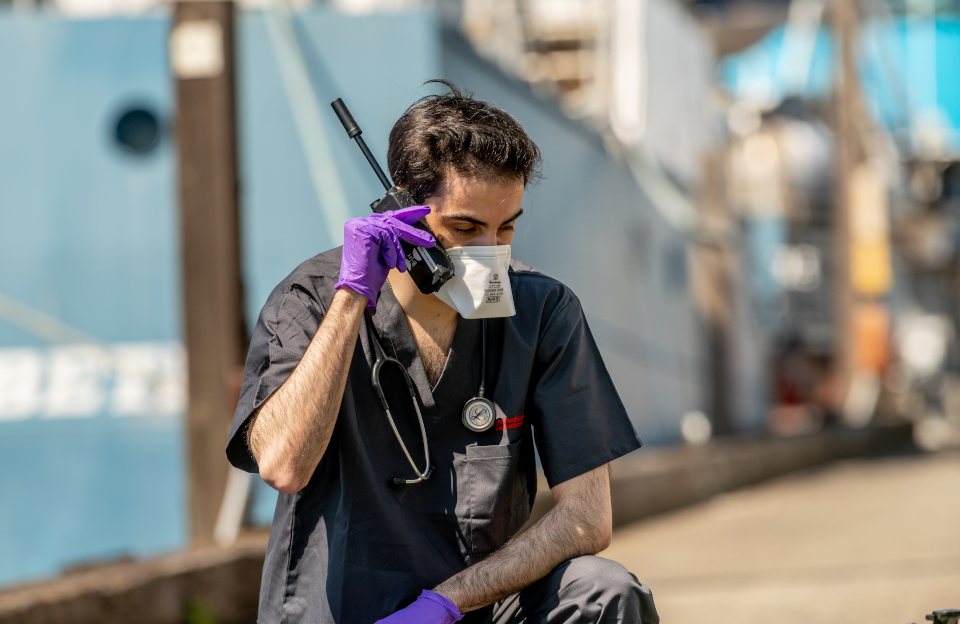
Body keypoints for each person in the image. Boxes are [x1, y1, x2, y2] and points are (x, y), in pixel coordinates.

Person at [226, 81, 659, 624]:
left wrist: (444, 604)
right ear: (401, 209)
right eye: (465, 227)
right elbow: (283, 465)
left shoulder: (544, 311)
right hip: (341, 610)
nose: (490, 252)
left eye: (506, 227)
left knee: (603, 590)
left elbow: (587, 519)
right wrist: (351, 299)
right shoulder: (310, 300)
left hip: (472, 606)